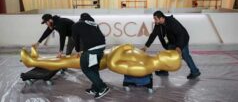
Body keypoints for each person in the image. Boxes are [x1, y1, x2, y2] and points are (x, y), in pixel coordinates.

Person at [20, 44, 182, 77]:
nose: (166, 50)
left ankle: (32, 62)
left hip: (101, 61)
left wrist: (120, 49)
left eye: (169, 53)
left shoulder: (145, 68)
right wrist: (123, 48)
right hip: (101, 54)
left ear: (168, 61)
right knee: (68, 59)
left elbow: (114, 65)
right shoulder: (149, 59)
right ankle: (38, 58)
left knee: (65, 62)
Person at [141, 10, 201, 79]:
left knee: (185, 56)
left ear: (161, 18)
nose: (155, 21)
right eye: (154, 19)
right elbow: (153, 35)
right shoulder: (158, 25)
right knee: (167, 56)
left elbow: (180, 34)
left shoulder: (172, 22)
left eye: (156, 19)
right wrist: (146, 47)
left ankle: (195, 72)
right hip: (171, 42)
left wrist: (179, 47)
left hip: (182, 40)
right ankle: (164, 71)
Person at [72, 13, 109, 99]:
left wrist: (78, 50)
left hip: (92, 49)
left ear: (80, 18)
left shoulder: (76, 25)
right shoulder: (94, 24)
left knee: (86, 68)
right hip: (101, 47)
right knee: (93, 68)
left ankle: (102, 87)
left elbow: (76, 39)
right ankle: (95, 88)